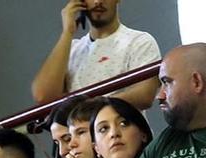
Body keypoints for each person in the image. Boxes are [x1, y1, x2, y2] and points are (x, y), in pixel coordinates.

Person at [33, 0, 161, 110]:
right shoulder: (72, 48)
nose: (98, 1)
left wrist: (86, 108)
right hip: (79, 136)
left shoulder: (139, 41)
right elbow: (43, 96)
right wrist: (67, 32)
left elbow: (145, 95)